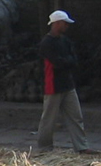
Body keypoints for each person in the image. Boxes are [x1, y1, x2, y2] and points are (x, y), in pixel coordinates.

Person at [36, 10, 90, 152]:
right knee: (49, 119)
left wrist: (67, 62)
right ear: (57, 23)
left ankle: (81, 147)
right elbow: (58, 62)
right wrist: (68, 62)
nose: (67, 26)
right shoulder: (46, 43)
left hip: (68, 84)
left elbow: (73, 60)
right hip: (53, 85)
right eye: (65, 23)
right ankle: (44, 148)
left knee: (76, 117)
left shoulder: (65, 41)